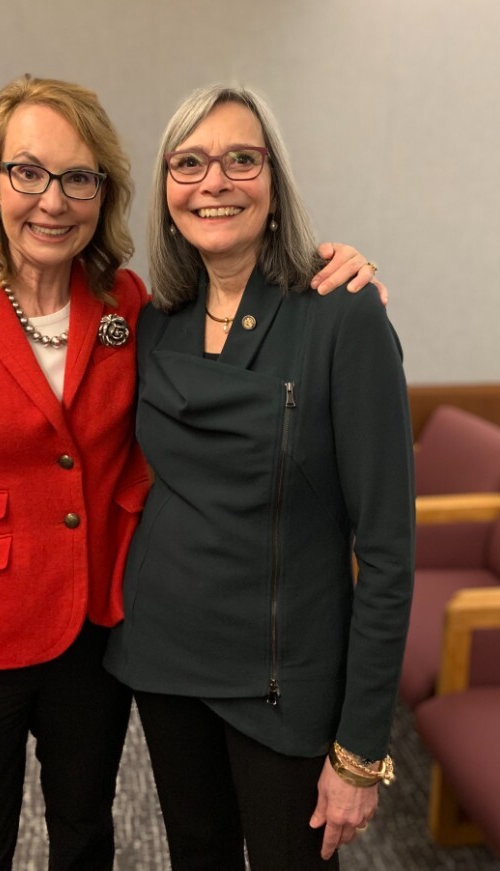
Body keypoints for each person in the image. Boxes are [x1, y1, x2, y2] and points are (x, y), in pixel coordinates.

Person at [0, 74, 384, 870]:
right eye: (28, 173)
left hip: (100, 633)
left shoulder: (128, 306)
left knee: (87, 834)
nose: (52, 199)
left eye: (78, 177)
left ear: (103, 192)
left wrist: (340, 264)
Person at [105, 85, 414, 871]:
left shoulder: (342, 315)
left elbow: (386, 549)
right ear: (167, 187)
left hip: (285, 678)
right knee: (197, 856)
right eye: (190, 162)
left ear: (274, 183)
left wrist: (360, 748)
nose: (215, 181)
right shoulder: (156, 316)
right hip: (166, 658)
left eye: (241, 159)